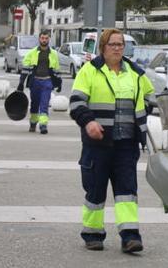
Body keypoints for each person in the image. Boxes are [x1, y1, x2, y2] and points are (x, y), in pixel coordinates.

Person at [69, 29, 153, 254]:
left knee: (127, 191)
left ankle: (130, 236)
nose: (117, 48)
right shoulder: (90, 71)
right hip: (97, 144)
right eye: (112, 44)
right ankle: (93, 234)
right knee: (95, 190)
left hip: (127, 143)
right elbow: (76, 103)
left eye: (120, 44)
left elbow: (150, 98)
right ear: (103, 47)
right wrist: (89, 123)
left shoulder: (135, 73)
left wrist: (147, 116)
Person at [17, 30, 61, 134]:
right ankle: (33, 123)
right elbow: (25, 69)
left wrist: (59, 83)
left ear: (49, 39)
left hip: (47, 82)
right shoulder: (32, 53)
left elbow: (56, 70)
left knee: (44, 104)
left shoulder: (53, 54)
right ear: (39, 39)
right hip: (35, 81)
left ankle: (43, 125)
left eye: (46, 38)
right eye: (42, 38)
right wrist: (21, 83)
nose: (44, 40)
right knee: (34, 104)